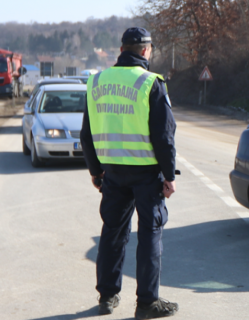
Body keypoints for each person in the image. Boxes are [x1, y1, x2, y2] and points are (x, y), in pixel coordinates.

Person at [80, 27, 178, 319]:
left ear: (121, 50)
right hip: (147, 174)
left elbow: (87, 133)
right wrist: (169, 176)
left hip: (112, 172)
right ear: (146, 51)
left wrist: (96, 172)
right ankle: (147, 303)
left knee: (112, 233)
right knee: (150, 234)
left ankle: (107, 297)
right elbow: (164, 136)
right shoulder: (151, 83)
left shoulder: (96, 81)